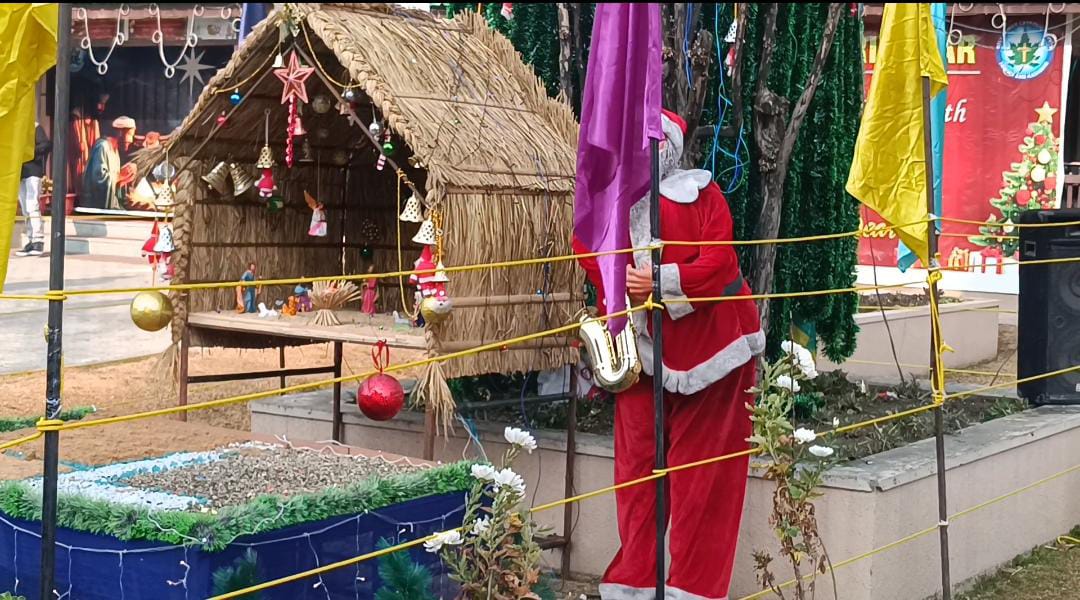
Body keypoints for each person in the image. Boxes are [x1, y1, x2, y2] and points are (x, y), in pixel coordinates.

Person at [573, 109, 764, 600]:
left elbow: (720, 262)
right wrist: (617, 286)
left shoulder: (701, 193)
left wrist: (660, 282)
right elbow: (586, 246)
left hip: (713, 353)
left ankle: (692, 590)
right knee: (636, 476)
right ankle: (632, 584)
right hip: (640, 356)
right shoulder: (607, 200)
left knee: (704, 482)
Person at [82, 116, 137, 210]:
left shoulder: (115, 152)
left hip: (111, 205)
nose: (130, 141)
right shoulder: (102, 147)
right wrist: (120, 175)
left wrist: (125, 179)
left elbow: (114, 185)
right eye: (129, 135)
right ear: (120, 132)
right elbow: (99, 181)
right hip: (96, 207)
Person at [15, 123, 52, 257]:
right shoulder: (16, 127)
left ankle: (38, 240)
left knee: (32, 205)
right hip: (19, 173)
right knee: (25, 208)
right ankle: (31, 240)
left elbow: (46, 145)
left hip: (33, 171)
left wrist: (28, 152)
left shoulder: (35, 126)